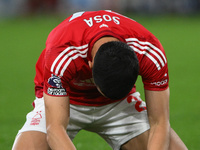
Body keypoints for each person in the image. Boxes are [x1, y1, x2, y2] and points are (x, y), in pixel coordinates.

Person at [12, 10, 188, 150]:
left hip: (120, 105)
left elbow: (160, 121)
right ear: (90, 64)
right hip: (65, 100)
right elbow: (55, 129)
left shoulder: (149, 51)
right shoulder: (62, 51)